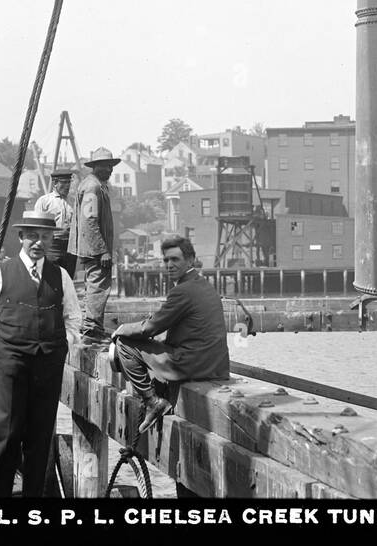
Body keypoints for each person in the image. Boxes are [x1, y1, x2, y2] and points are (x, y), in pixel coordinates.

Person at [0, 212, 82, 497]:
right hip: (10, 363)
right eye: (32, 236)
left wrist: (65, 343)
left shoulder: (61, 276)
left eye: (45, 237)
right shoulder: (0, 273)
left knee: (40, 438)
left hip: (49, 365)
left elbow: (74, 317)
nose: (38, 242)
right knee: (7, 434)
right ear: (21, 237)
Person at [110, 234, 230, 435]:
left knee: (124, 344)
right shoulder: (204, 286)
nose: (169, 265)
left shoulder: (183, 291)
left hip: (193, 364)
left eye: (175, 259)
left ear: (191, 260)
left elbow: (151, 328)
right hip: (216, 366)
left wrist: (120, 329)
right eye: (166, 260)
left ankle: (152, 402)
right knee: (149, 343)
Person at [68, 147, 119, 343]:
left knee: (94, 286)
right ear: (95, 167)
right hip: (95, 249)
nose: (110, 170)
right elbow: (90, 220)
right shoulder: (93, 187)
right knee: (98, 286)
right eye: (106, 166)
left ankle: (92, 327)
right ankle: (91, 330)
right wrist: (102, 250)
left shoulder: (94, 185)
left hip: (91, 247)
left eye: (111, 166)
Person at [33, 169, 77, 278]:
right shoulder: (44, 201)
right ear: (55, 183)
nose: (67, 186)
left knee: (67, 279)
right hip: (52, 246)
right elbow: (36, 226)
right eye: (64, 183)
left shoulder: (74, 201)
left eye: (69, 183)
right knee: (51, 279)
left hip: (70, 246)